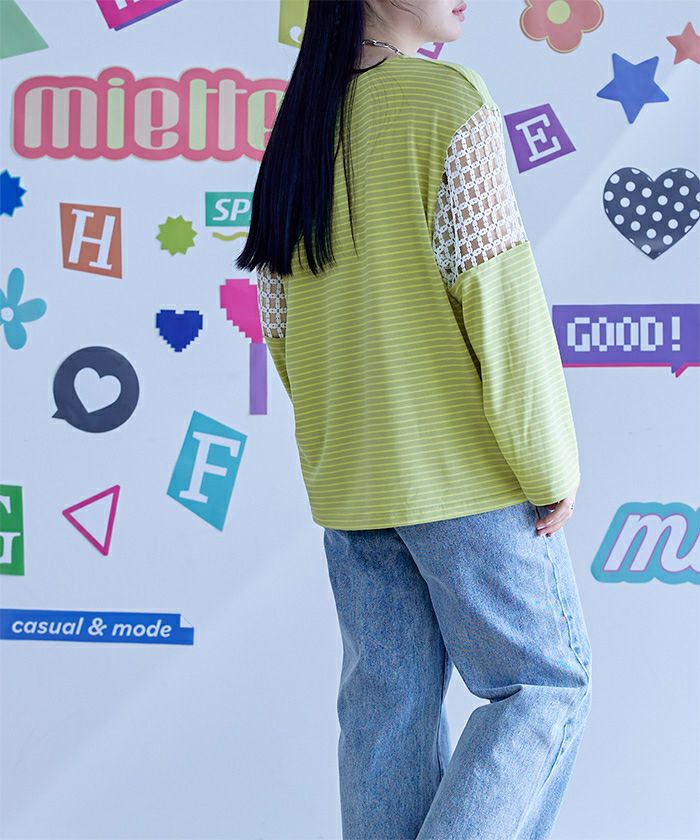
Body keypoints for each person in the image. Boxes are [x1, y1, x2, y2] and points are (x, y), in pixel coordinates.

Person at [236, 1, 593, 838]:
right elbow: (499, 300)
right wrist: (549, 462)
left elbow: (281, 329)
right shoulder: (447, 100)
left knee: (385, 714)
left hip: (353, 488)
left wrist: (347, 443)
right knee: (542, 688)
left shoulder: (298, 129)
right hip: (463, 478)